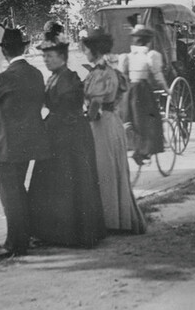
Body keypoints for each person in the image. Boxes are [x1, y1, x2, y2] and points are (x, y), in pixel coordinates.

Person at [26, 22, 106, 248]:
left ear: (62, 57)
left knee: (68, 181)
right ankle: (53, 232)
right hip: (58, 132)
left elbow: (70, 106)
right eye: (44, 57)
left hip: (69, 135)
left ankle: (71, 234)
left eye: (50, 56)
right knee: (53, 182)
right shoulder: (54, 76)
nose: (46, 60)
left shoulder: (68, 78)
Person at [0, 28, 51, 258]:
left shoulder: (4, 77)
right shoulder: (36, 74)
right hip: (30, 142)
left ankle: (14, 244)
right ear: (23, 48)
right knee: (18, 190)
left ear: (3, 51)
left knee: (10, 193)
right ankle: (22, 238)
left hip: (6, 145)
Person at [82, 28, 147, 234]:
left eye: (87, 50)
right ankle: (119, 218)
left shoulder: (99, 74)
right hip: (113, 122)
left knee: (104, 170)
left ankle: (109, 220)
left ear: (94, 51)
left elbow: (95, 105)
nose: (85, 53)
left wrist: (86, 118)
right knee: (114, 169)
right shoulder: (113, 72)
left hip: (101, 125)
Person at [118, 24, 168, 166]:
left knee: (131, 119)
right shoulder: (150, 55)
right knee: (150, 120)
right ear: (148, 41)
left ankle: (134, 147)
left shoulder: (127, 56)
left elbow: (123, 75)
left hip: (130, 91)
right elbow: (158, 76)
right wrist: (167, 89)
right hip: (144, 91)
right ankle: (144, 151)